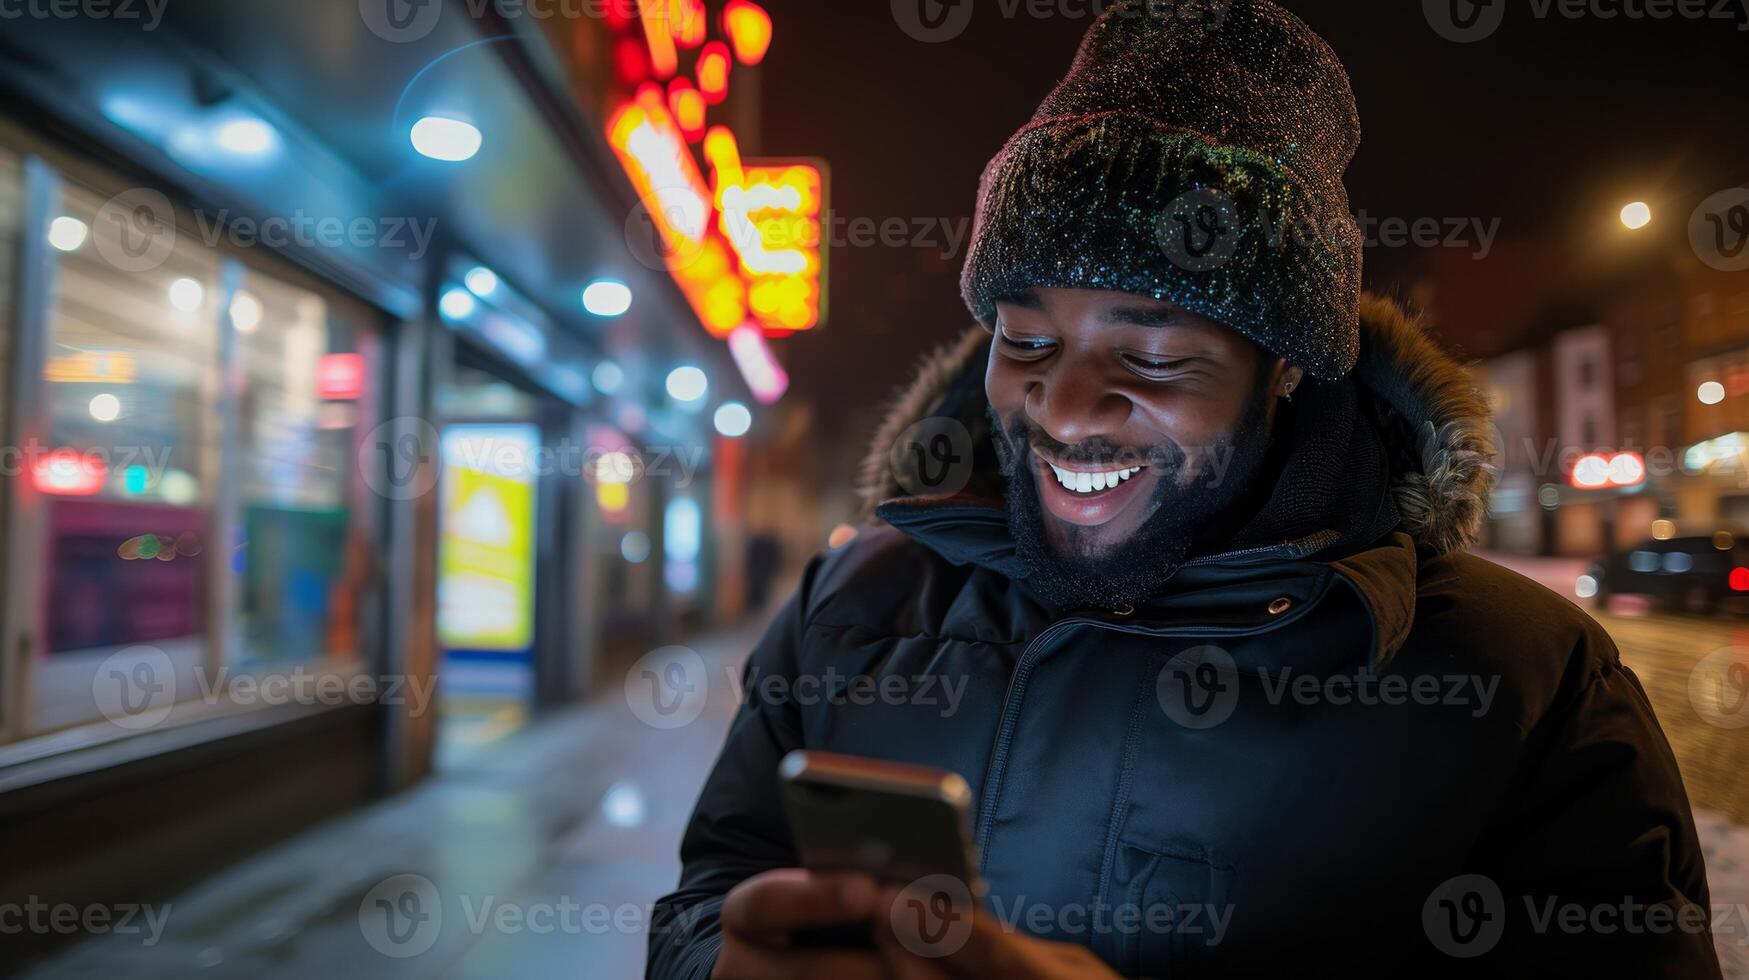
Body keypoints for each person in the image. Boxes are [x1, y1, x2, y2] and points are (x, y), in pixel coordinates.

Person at [647, 0, 1720, 975]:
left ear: (1285, 368)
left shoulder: (1522, 678)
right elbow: (708, 890)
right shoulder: (853, 603)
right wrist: (724, 963)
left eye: (1153, 358)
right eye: (1024, 339)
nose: (1066, 408)